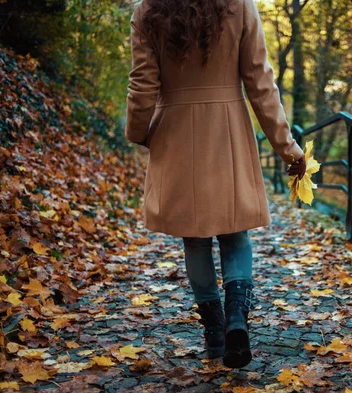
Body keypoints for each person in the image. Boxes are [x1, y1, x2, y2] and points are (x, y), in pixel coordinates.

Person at [124, 0, 307, 368]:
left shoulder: (148, 10)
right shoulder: (239, 5)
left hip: (177, 132)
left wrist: (139, 132)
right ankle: (237, 319)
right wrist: (288, 148)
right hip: (227, 130)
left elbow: (143, 83)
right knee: (235, 231)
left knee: (194, 237)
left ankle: (214, 330)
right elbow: (260, 83)